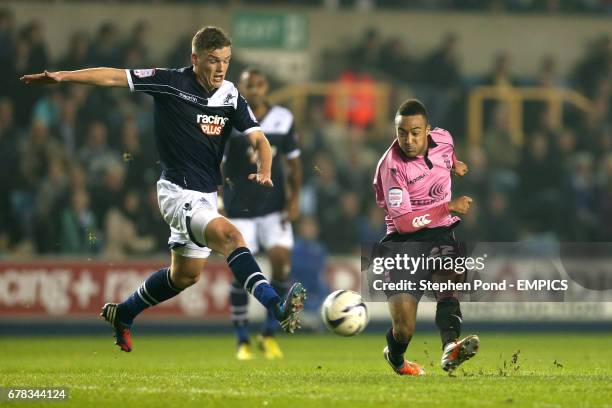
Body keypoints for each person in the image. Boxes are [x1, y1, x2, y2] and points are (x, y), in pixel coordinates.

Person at [21, 26, 306, 352]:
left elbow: (259, 139)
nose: (221, 68)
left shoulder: (231, 95)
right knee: (232, 238)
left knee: (184, 276)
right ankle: (277, 307)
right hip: (177, 192)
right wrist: (63, 77)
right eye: (213, 60)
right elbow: (115, 76)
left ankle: (124, 312)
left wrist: (265, 169)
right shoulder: (170, 82)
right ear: (195, 58)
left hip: (206, 197)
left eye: (226, 61)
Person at [372, 99, 479, 375]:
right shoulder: (392, 167)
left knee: (449, 280)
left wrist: (455, 164)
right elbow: (406, 224)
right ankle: (395, 356)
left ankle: (451, 347)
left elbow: (447, 153)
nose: (408, 140)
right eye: (402, 133)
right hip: (402, 242)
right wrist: (448, 206)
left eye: (415, 132)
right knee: (404, 328)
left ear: (428, 131)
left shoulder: (444, 139)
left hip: (441, 232)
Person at [222, 68, 302, 360]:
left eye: (259, 84)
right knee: (241, 274)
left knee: (281, 264)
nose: (254, 90)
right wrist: (218, 196)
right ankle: (242, 340)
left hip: (274, 204)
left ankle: (268, 334)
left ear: (266, 86)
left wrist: (294, 199)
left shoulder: (283, 118)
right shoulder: (229, 118)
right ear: (241, 89)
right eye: (249, 86)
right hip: (239, 205)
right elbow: (219, 162)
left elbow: (294, 164)